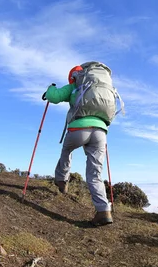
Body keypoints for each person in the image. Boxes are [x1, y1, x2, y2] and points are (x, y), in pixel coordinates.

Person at [43, 64, 114, 226]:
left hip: (78, 128)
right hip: (101, 131)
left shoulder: (76, 85)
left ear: (73, 76)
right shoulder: (101, 87)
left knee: (67, 150)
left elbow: (54, 97)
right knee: (95, 173)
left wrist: (50, 89)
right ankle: (103, 211)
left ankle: (62, 181)